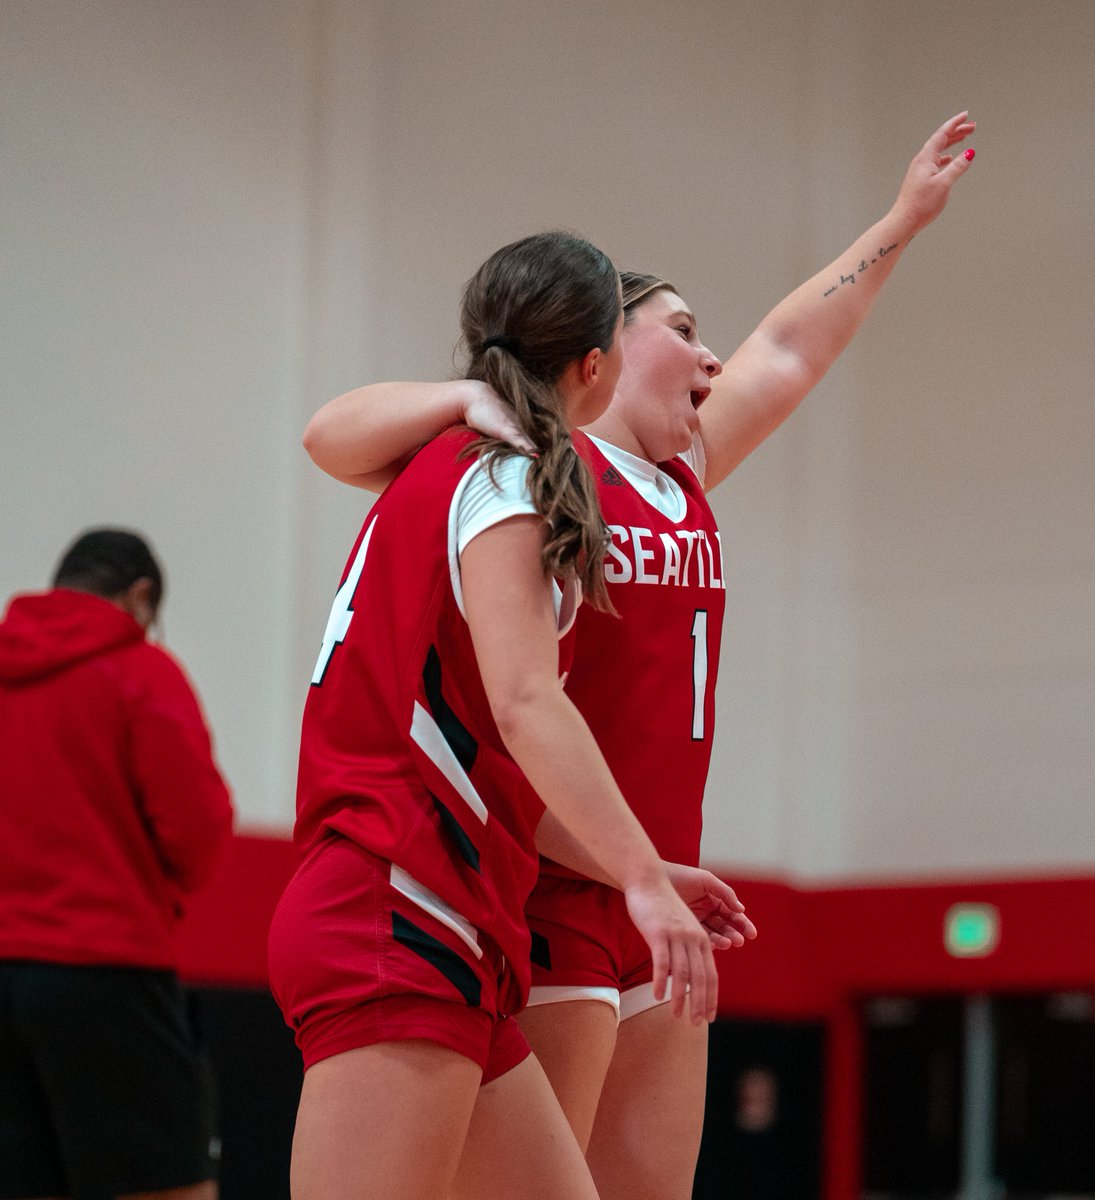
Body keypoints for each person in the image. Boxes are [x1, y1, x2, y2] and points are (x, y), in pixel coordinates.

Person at [302, 112, 976, 1198]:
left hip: (663, 878)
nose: (714, 356)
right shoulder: (529, 466)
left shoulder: (682, 475)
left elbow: (793, 347)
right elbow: (335, 434)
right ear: (602, 349)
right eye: (684, 327)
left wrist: (901, 220)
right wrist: (467, 397)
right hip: (551, 884)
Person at [267, 231, 747, 1200]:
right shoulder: (503, 477)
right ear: (596, 364)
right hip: (396, 902)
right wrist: (643, 885)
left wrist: (639, 869)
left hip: (450, 920)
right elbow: (528, 705)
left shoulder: (449, 458)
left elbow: (498, 766)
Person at [0, 528, 234, 1200]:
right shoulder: (141, 670)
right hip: (106, 969)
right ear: (139, 597)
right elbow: (197, 830)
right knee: (169, 1187)